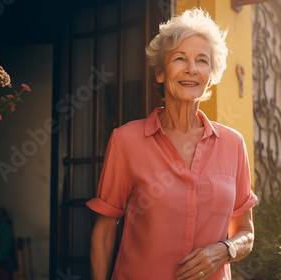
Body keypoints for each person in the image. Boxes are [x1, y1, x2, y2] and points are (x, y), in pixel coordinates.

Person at [86, 8, 257, 280]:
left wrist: (224, 250)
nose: (191, 68)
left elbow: (245, 232)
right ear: (160, 74)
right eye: (180, 58)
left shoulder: (233, 144)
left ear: (210, 76)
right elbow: (105, 231)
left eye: (202, 61)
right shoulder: (126, 141)